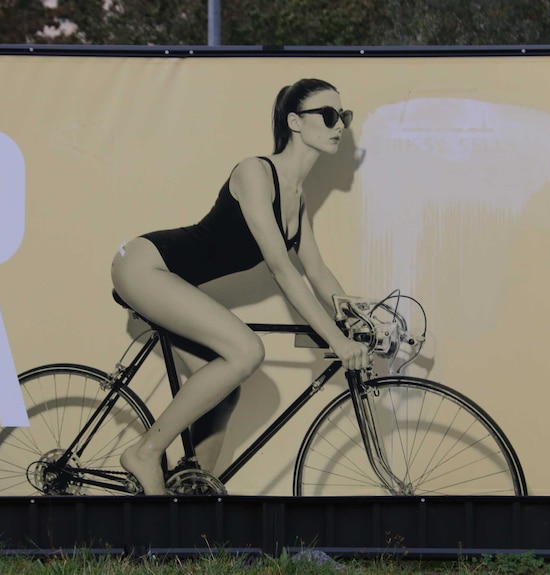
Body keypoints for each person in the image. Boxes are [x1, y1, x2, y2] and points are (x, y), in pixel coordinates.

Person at [110, 78, 369, 495]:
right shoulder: (256, 172)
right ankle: (144, 453)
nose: (340, 124)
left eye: (345, 116)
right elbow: (283, 269)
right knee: (247, 350)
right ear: (295, 123)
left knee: (224, 390)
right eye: (328, 114)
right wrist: (337, 340)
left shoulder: (296, 200)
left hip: (170, 280)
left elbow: (317, 272)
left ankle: (191, 495)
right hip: (143, 265)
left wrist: (361, 319)